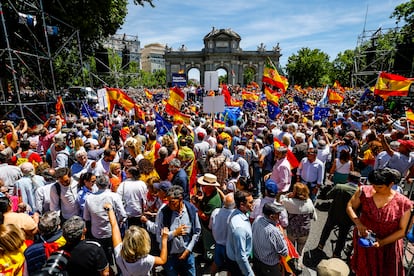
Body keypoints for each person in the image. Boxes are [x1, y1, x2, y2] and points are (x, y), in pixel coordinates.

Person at [346, 168, 412, 275]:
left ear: (391, 184)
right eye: (373, 185)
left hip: (389, 246)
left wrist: (382, 242)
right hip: (366, 241)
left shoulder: (404, 203)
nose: (375, 189)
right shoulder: (363, 191)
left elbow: (403, 231)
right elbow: (350, 206)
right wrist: (358, 223)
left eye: (380, 187)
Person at [105, 201, 169, 276]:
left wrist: (110, 210)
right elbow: (162, 260)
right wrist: (164, 239)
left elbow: (114, 226)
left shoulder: (119, 253)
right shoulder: (146, 260)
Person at [83, 175, 127, 268]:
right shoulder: (114, 196)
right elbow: (123, 215)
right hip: (112, 232)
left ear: (97, 185)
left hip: (97, 232)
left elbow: (86, 218)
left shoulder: (89, 198)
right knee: (118, 254)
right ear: (109, 184)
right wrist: (117, 222)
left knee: (102, 257)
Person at [156, 185, 201, 276]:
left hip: (187, 255)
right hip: (170, 257)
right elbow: (159, 237)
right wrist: (174, 233)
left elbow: (197, 232)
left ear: (180, 199)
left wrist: (188, 250)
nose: (169, 204)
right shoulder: (164, 213)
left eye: (172, 202)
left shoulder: (191, 210)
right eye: (168, 201)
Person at [317, 171, 360, 258]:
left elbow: (328, 196)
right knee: (342, 236)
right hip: (348, 218)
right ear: (358, 181)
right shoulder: (359, 192)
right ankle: (336, 254)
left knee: (327, 230)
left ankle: (320, 245)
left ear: (348, 178)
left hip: (334, 214)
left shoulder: (339, 186)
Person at [280, 183, 317, 258]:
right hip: (305, 231)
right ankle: (299, 264)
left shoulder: (289, 201)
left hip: (292, 230)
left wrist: (287, 195)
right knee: (301, 249)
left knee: (291, 247)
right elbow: (314, 217)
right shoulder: (309, 202)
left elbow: (280, 199)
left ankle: (292, 262)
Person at [252, 203, 288, 276]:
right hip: (269, 265)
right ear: (272, 216)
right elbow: (284, 252)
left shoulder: (257, 219)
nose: (280, 215)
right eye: (278, 214)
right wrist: (282, 235)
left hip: (256, 259)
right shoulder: (274, 231)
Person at [194, 173, 222, 263]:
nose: (201, 187)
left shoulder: (213, 202)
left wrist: (196, 207)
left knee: (209, 243)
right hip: (206, 225)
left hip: (209, 227)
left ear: (209, 187)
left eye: (203, 185)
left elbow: (205, 217)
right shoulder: (209, 193)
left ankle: (209, 260)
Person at [226, 190, 254, 276]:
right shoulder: (239, 227)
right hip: (238, 265)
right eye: (251, 202)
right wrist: (250, 274)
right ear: (242, 204)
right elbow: (241, 257)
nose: (253, 204)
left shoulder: (241, 213)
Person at [209, 193, 235, 275]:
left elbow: (210, 226)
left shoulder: (215, 212)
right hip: (229, 247)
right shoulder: (235, 215)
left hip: (218, 244)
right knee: (231, 267)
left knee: (216, 262)